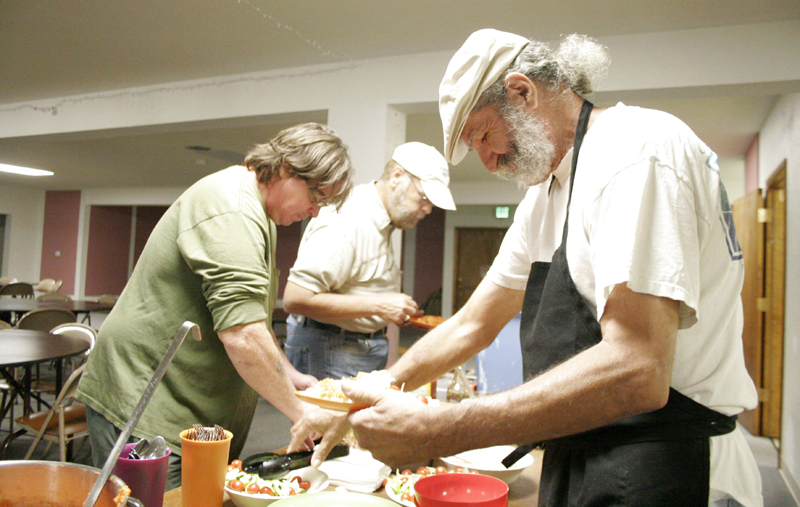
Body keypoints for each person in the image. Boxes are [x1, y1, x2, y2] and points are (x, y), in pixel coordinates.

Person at [290, 30, 763, 507]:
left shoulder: (635, 151)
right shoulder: (544, 198)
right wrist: (370, 392)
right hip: (589, 445)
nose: (489, 163)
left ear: (521, 91)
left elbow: (638, 365)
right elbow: (472, 324)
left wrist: (444, 430)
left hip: (671, 456)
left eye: (482, 136)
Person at [76, 122, 354, 489]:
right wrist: (300, 412)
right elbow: (242, 335)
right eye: (316, 196)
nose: (316, 212)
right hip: (148, 403)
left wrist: (292, 377)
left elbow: (251, 320)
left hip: (188, 407)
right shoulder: (233, 209)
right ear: (287, 169)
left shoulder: (259, 214)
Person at [282, 142, 455, 380]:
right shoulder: (347, 219)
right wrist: (381, 306)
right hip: (330, 348)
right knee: (327, 419)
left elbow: (360, 291)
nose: (427, 210)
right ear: (396, 176)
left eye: (431, 204)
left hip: (355, 348)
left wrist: (392, 312)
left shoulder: (384, 221)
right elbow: (296, 299)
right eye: (423, 198)